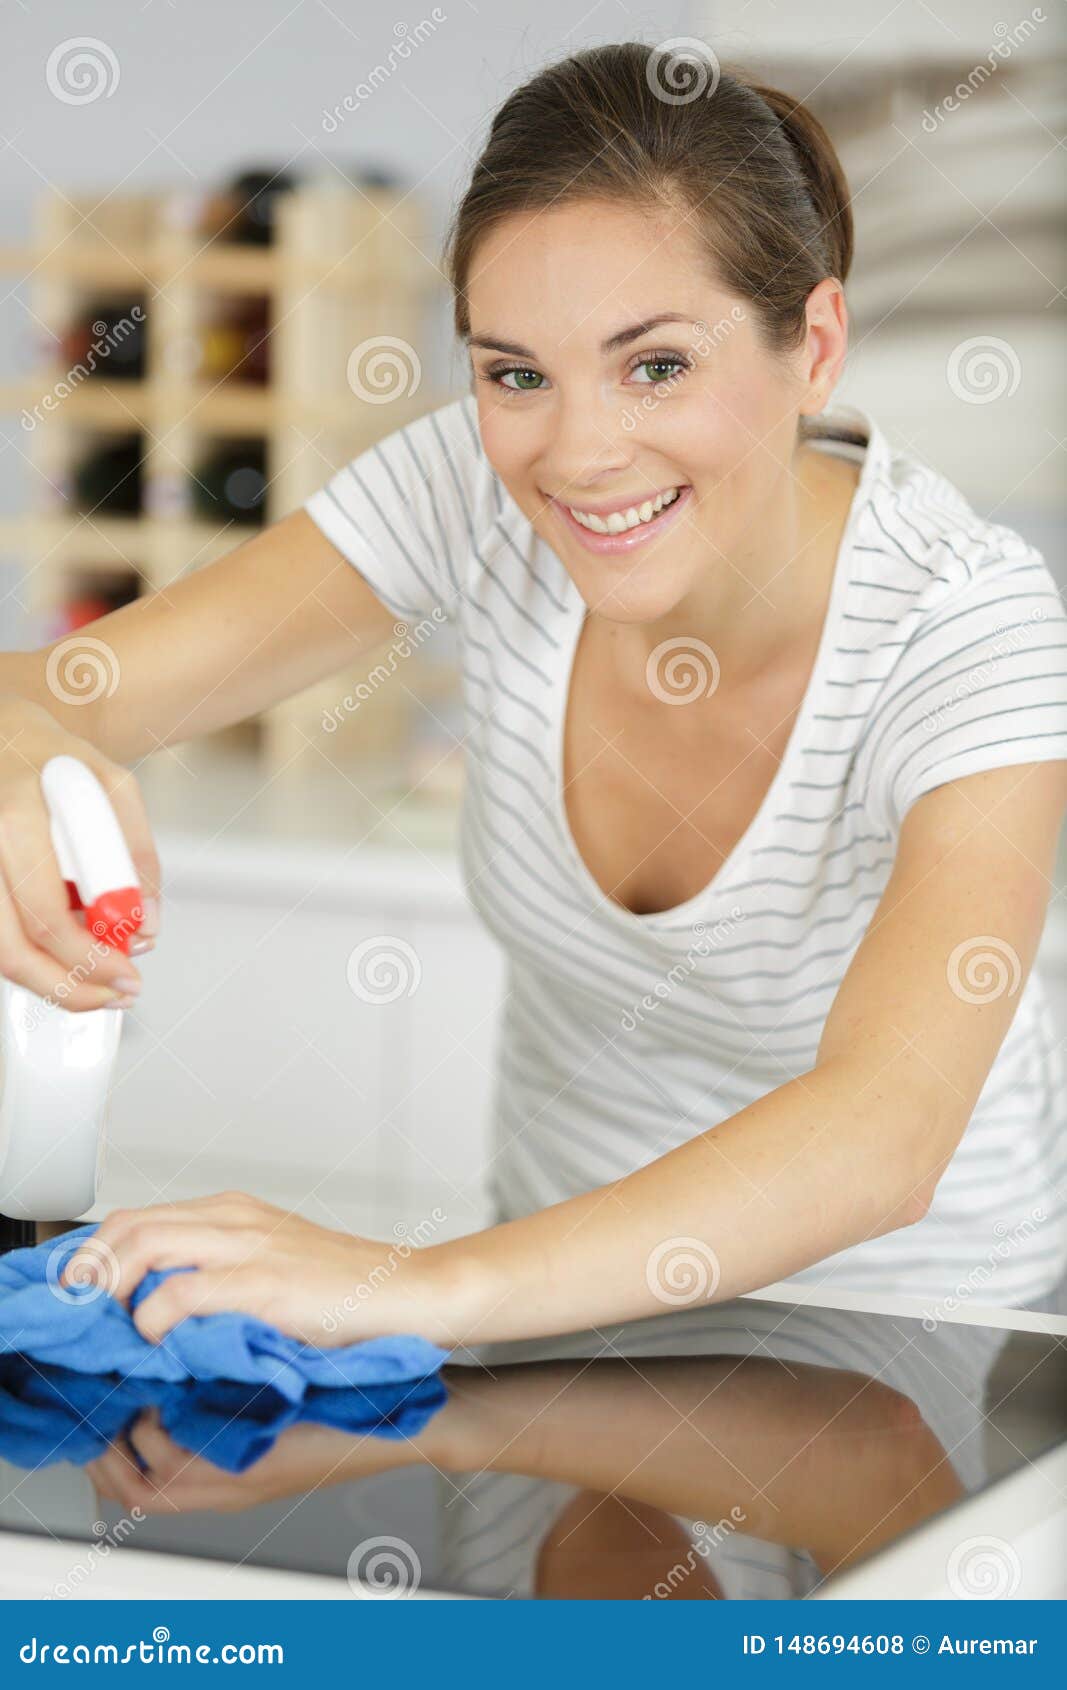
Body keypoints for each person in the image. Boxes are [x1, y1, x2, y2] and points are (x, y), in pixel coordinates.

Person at [2, 42, 1066, 1353]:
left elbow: (888, 1130)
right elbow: (64, 691)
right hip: (558, 1316)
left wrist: (419, 1286)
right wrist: (22, 747)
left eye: (657, 365)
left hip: (913, 1337)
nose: (577, 451)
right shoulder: (471, 488)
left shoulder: (972, 627)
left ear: (818, 346)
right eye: (515, 373)